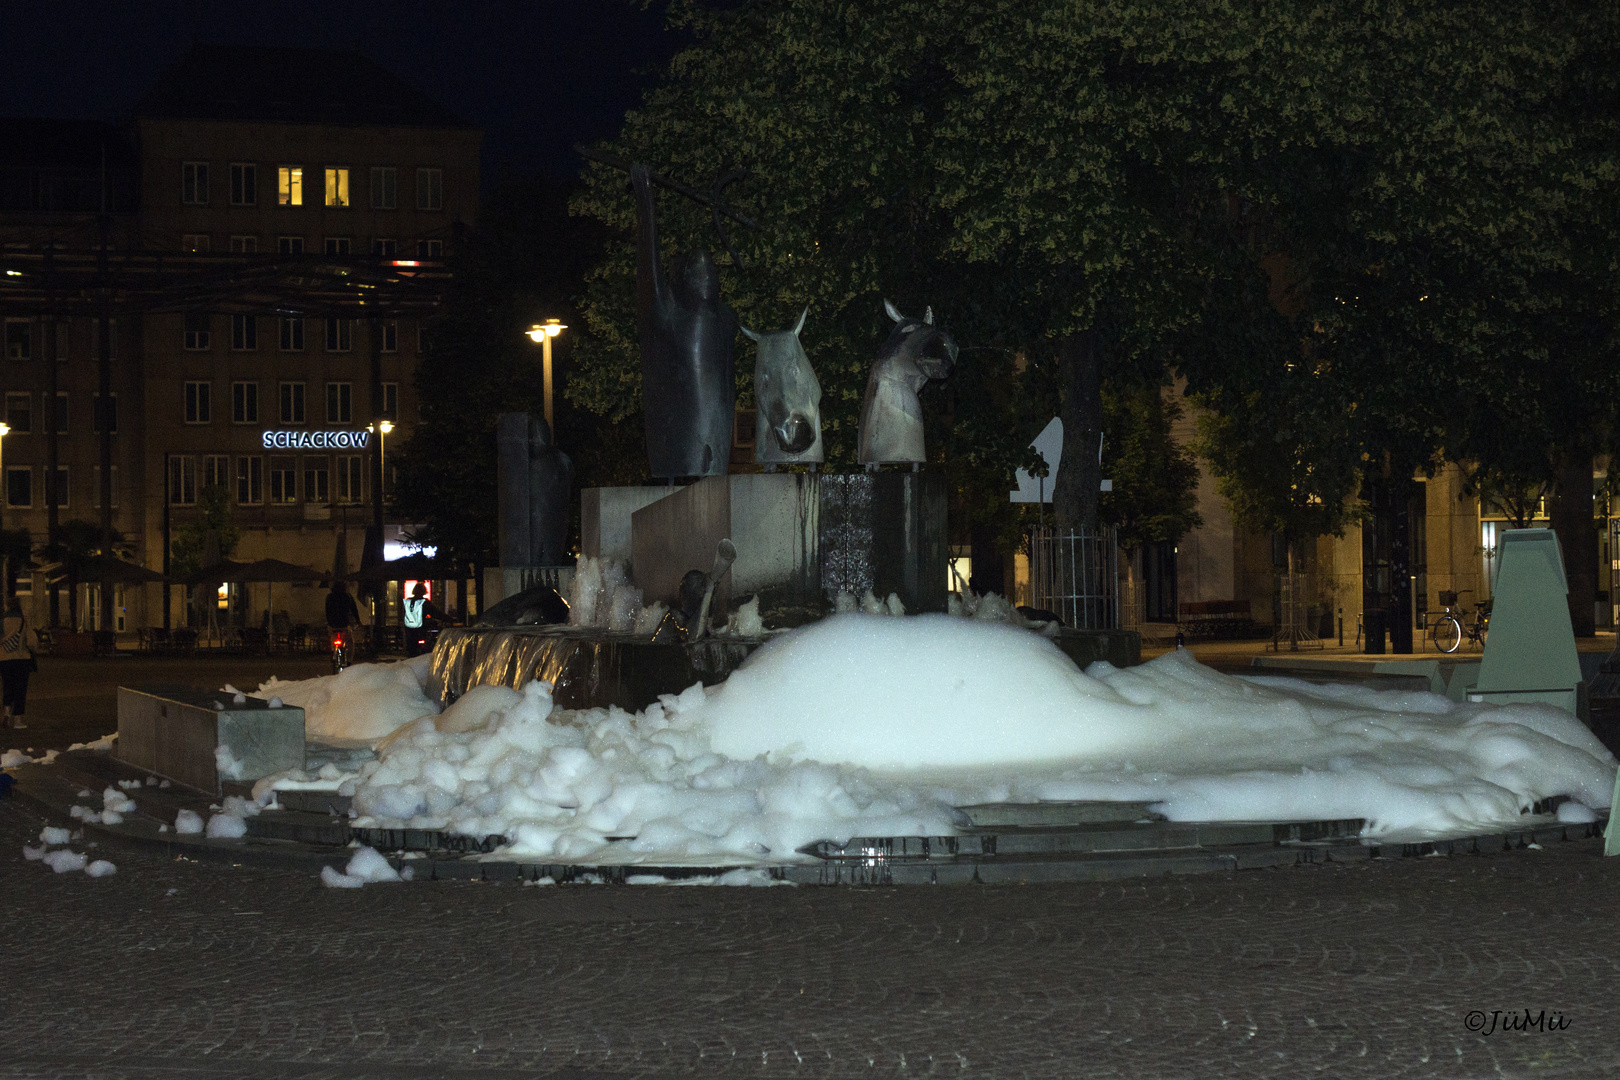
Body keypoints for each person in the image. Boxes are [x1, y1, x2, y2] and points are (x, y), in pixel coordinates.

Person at [0, 595, 39, 730]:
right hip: (21, 659)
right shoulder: (23, 621)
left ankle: (6, 713)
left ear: (7, 606)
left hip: (4, 659)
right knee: (20, 689)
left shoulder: (2, 621)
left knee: (7, 686)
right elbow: (32, 641)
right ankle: (17, 720)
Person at [401, 582, 444, 657]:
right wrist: (451, 620)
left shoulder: (408, 601)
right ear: (424, 591)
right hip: (421, 629)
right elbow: (437, 614)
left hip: (409, 630)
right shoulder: (425, 603)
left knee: (412, 650)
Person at [325, 580, 363, 656]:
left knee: (333, 638)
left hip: (333, 624)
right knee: (350, 642)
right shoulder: (348, 596)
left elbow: (327, 610)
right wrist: (358, 621)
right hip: (344, 624)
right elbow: (354, 609)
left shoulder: (329, 597)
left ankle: (333, 652)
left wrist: (329, 622)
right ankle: (349, 660)